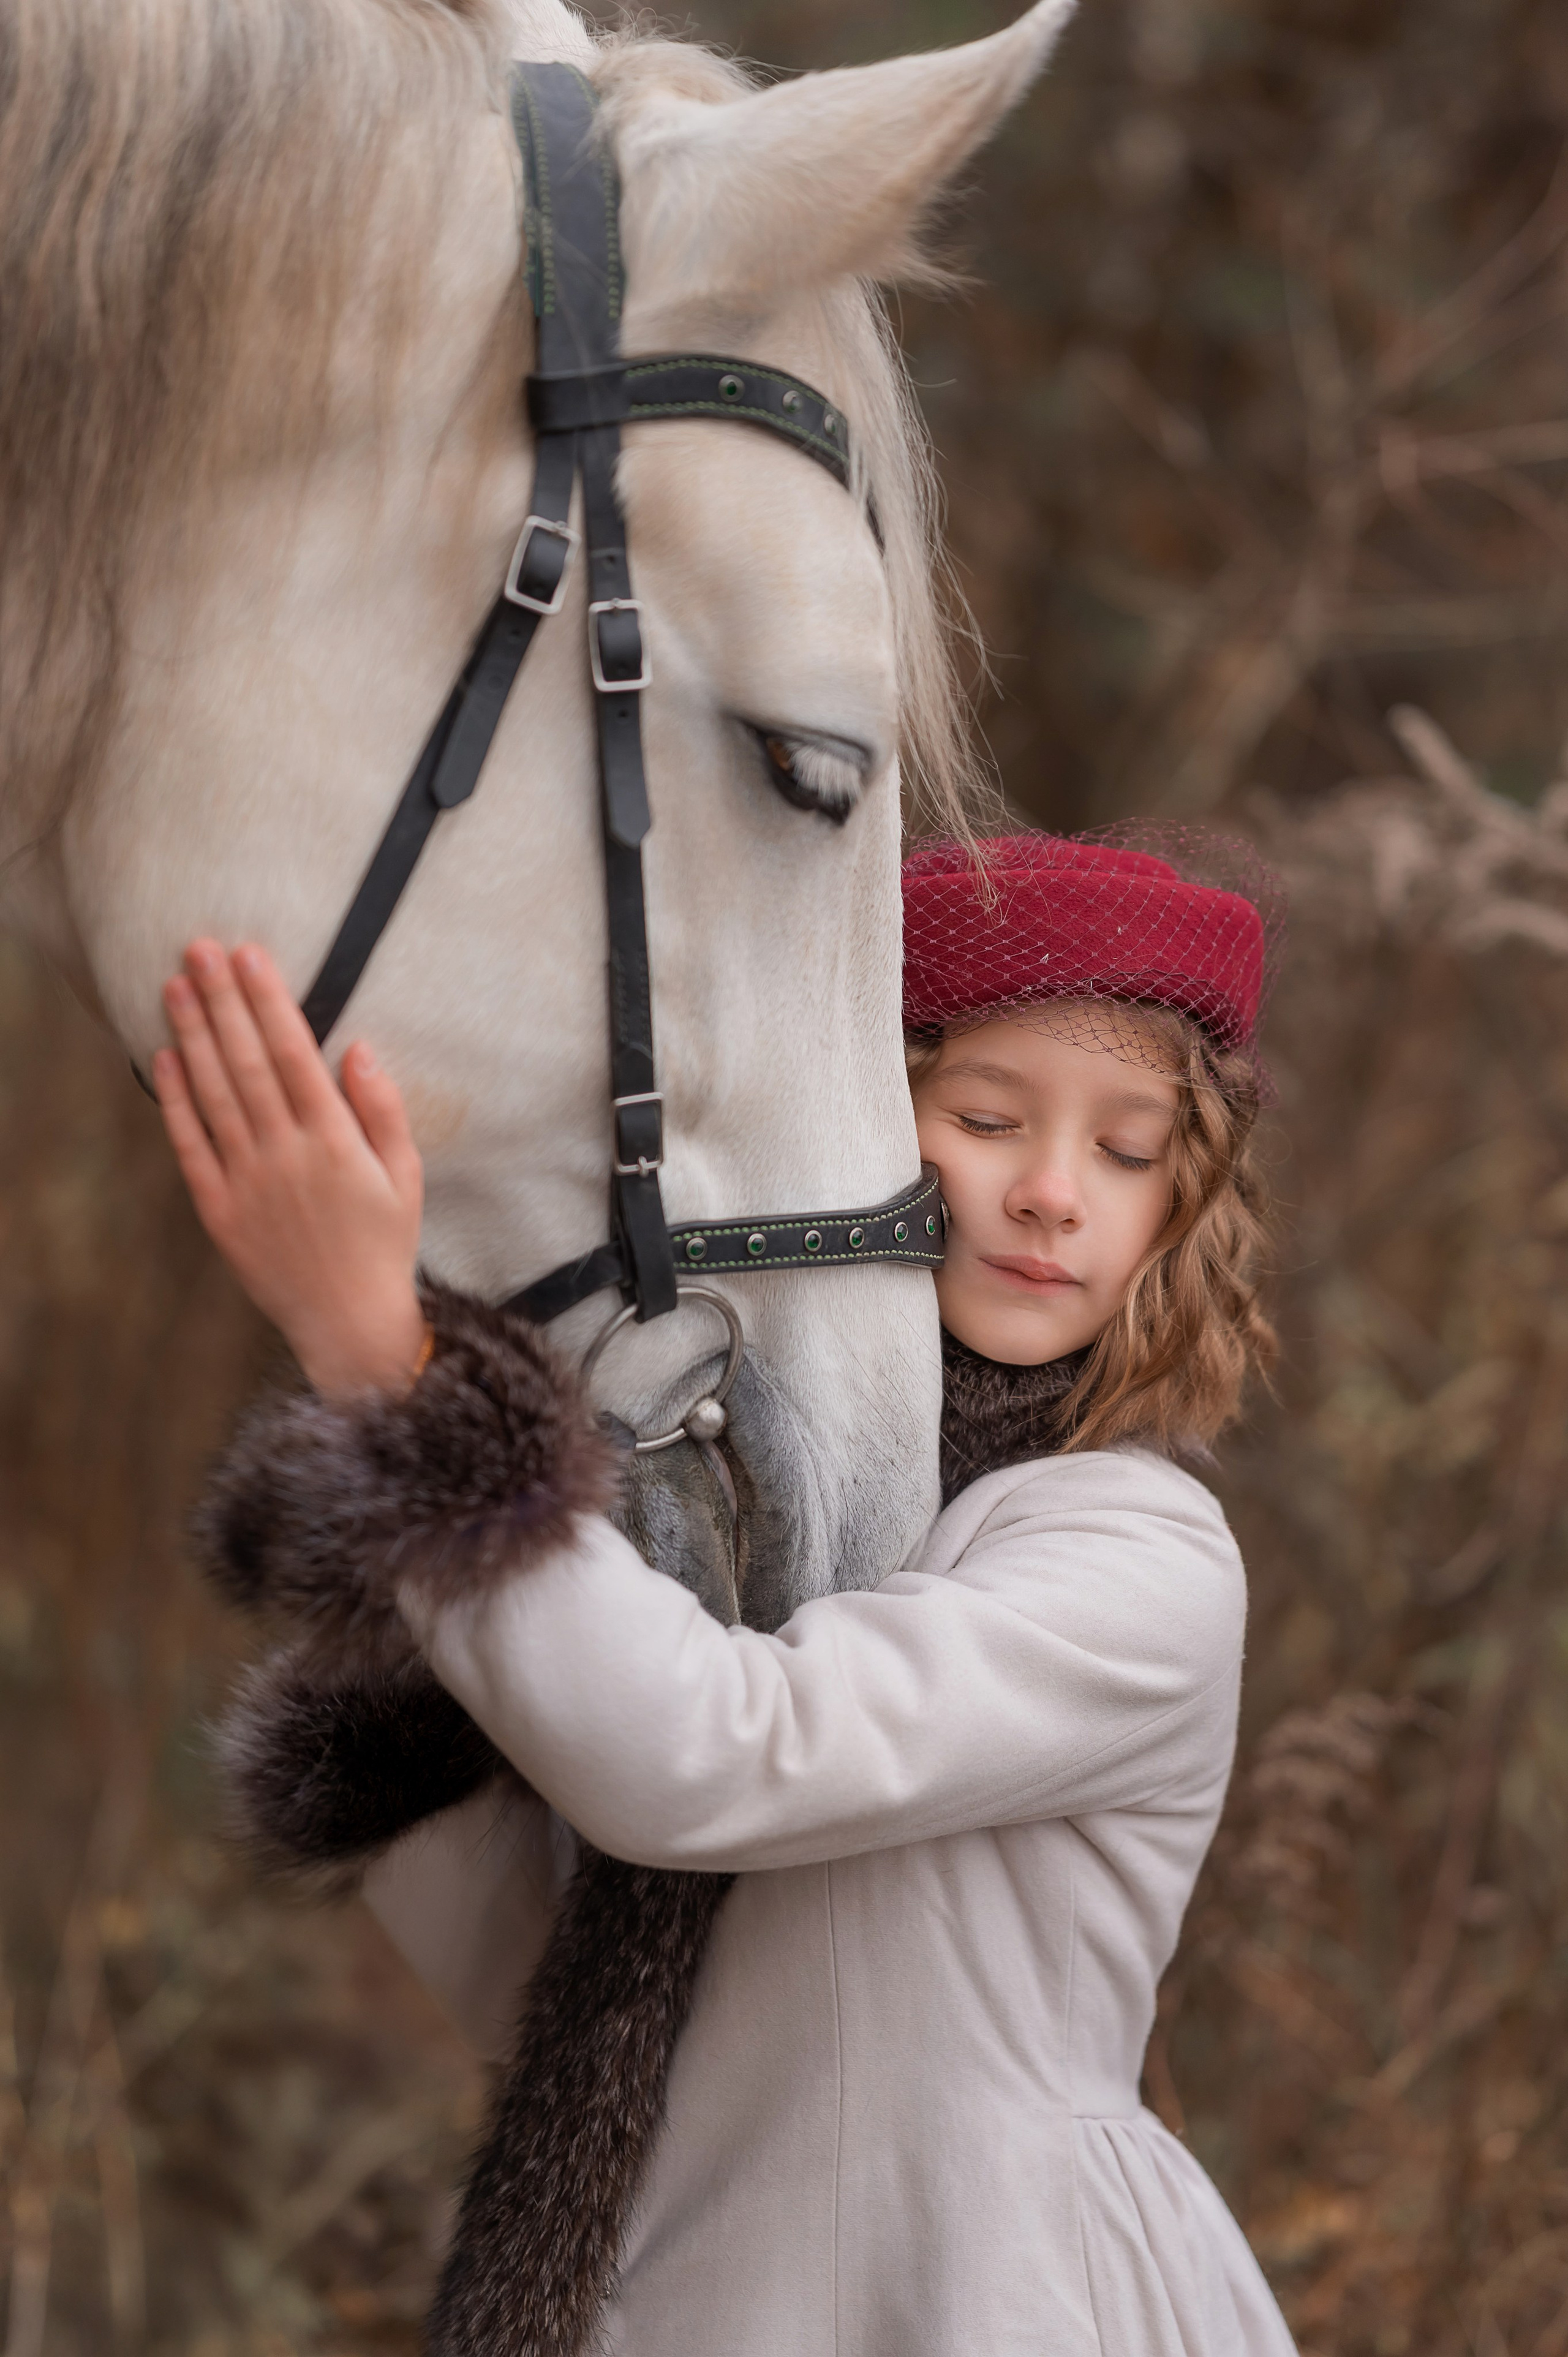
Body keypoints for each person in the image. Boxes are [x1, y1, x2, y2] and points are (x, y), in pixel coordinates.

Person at [154, 828, 1296, 2357]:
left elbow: (711, 1756)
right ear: (846, 1134)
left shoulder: (1135, 1555)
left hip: (1000, 2296)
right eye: (983, 1114)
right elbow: (526, 1965)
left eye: (1125, 1148)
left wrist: (391, 1364)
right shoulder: (751, 1515)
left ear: (1180, 1205)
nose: (1048, 1192)